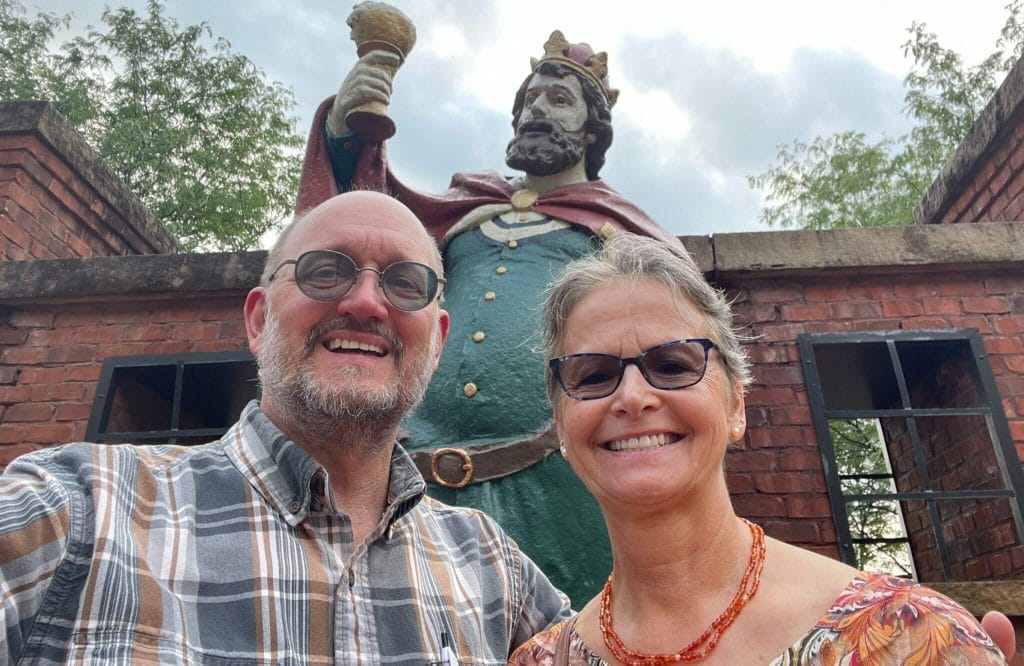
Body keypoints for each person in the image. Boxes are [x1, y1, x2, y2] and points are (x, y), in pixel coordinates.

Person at [0, 191, 570, 664]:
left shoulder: (495, 566)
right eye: (326, 271)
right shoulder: (77, 509)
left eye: (405, 283)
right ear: (258, 319)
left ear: (439, 341)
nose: (368, 302)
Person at [296, 17, 686, 607]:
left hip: (555, 487)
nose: (538, 109)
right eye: (530, 98)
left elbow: (678, 347)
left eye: (559, 99)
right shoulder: (460, 212)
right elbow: (361, 222)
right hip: (408, 479)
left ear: (592, 130)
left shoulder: (617, 233)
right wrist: (347, 131)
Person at [509, 233, 1013, 664]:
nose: (634, 397)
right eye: (593, 375)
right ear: (561, 428)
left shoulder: (911, 638)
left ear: (736, 407)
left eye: (674, 365)